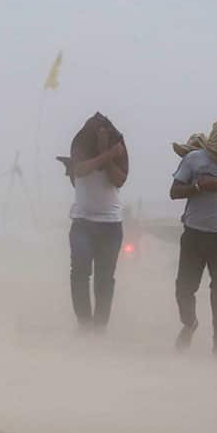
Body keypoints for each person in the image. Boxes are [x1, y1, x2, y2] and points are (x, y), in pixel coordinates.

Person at [170, 118, 217, 356]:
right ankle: (189, 323)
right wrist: (200, 187)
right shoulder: (194, 159)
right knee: (185, 288)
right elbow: (174, 192)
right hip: (194, 235)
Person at [65, 113, 128, 332]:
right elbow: (80, 169)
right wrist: (107, 153)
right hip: (82, 223)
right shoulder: (80, 150)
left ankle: (100, 328)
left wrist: (106, 153)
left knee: (104, 278)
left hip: (111, 225)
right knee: (80, 273)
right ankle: (84, 325)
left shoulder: (116, 150)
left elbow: (118, 179)